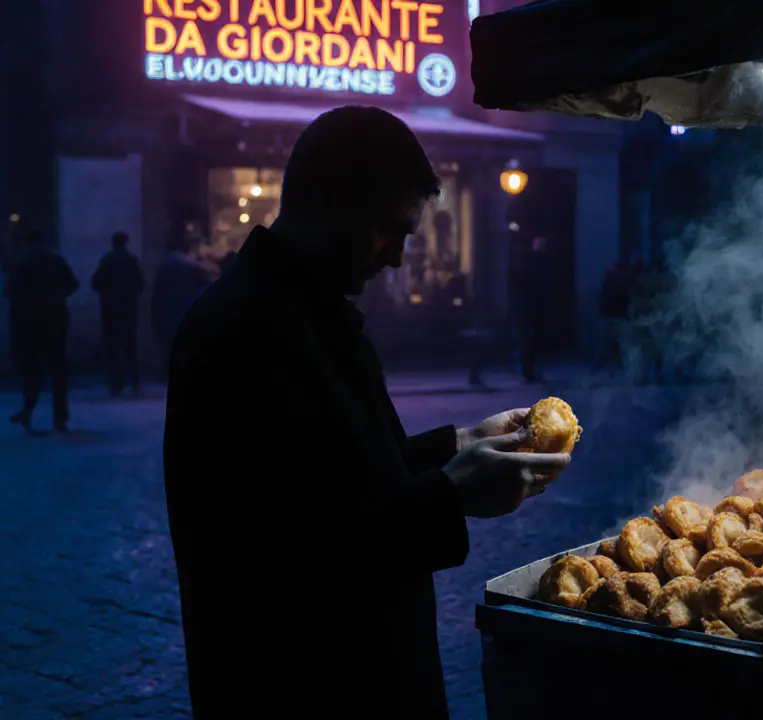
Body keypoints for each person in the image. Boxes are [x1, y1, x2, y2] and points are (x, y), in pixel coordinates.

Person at [163, 107, 572, 719]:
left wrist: (456, 444)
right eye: (388, 229)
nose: (398, 257)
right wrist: (449, 495)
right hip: (307, 688)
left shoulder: (306, 311)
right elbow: (282, 563)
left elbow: (339, 476)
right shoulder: (242, 331)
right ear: (328, 202)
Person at [5, 230, 78, 432]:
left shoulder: (23, 261)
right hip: (55, 320)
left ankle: (28, 412)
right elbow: (73, 284)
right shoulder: (55, 259)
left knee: (31, 370)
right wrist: (56, 297)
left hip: (28, 323)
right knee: (58, 370)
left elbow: (10, 292)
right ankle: (60, 418)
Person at [91, 231, 144, 397]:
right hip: (128, 308)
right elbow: (140, 283)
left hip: (109, 309)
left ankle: (116, 384)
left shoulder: (106, 260)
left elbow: (95, 283)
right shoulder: (131, 260)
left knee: (112, 347)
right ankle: (134, 382)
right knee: (130, 347)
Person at [151, 234, 210, 358]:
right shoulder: (193, 266)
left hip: (166, 312)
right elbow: (205, 286)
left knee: (168, 348)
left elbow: (157, 290)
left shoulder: (164, 265)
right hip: (186, 311)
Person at [517, 235, 553, 382]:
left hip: (534, 307)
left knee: (534, 341)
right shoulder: (532, 263)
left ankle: (531, 371)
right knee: (530, 341)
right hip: (531, 307)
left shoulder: (539, 262)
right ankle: (528, 371)